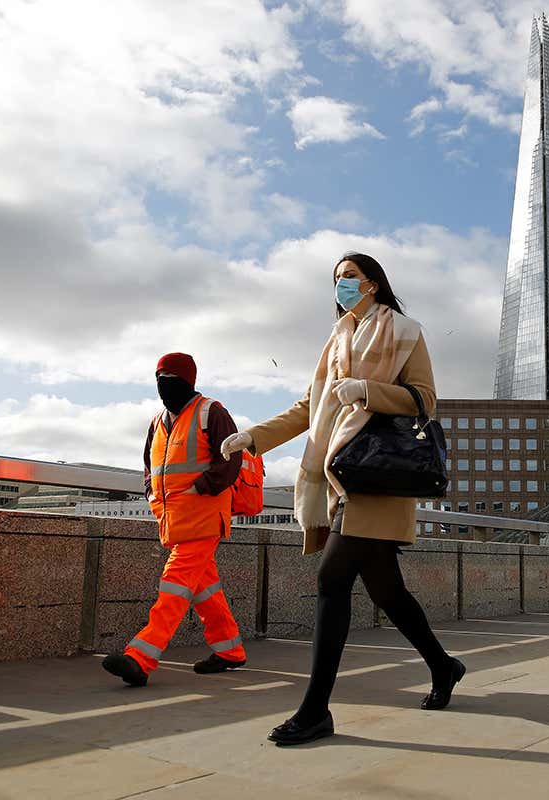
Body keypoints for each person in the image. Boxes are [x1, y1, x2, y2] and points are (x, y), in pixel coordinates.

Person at [221, 252, 464, 746]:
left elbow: (425, 400)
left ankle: (315, 711)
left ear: (372, 283)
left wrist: (367, 390)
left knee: (332, 579)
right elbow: (311, 407)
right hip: (340, 475)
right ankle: (443, 665)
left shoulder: (406, 331)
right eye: (336, 280)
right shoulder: (337, 338)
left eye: (349, 277)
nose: (341, 286)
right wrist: (254, 437)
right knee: (387, 592)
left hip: (378, 475)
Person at [102, 352, 246, 687]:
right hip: (173, 520)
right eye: (159, 381)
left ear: (188, 381)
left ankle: (141, 657)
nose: (163, 387)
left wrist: (201, 487)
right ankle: (230, 651)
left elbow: (231, 458)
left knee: (174, 584)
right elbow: (149, 467)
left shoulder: (212, 411)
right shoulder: (157, 422)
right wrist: (150, 493)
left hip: (204, 516)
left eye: (170, 380)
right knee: (204, 588)